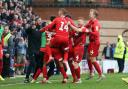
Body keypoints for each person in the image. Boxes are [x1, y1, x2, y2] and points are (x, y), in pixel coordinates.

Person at [69, 9, 105, 81]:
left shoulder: (96, 23)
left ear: (94, 15)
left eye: (90, 13)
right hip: (91, 42)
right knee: (88, 58)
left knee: (93, 59)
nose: (89, 14)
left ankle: (101, 74)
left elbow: (96, 33)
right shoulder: (91, 22)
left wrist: (88, 31)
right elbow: (84, 27)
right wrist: (81, 28)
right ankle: (91, 73)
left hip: (95, 42)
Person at [40, 8, 69, 83]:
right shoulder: (65, 22)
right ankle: (65, 77)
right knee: (60, 63)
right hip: (58, 48)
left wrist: (42, 29)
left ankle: (44, 78)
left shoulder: (54, 23)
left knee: (44, 63)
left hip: (50, 48)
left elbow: (48, 28)